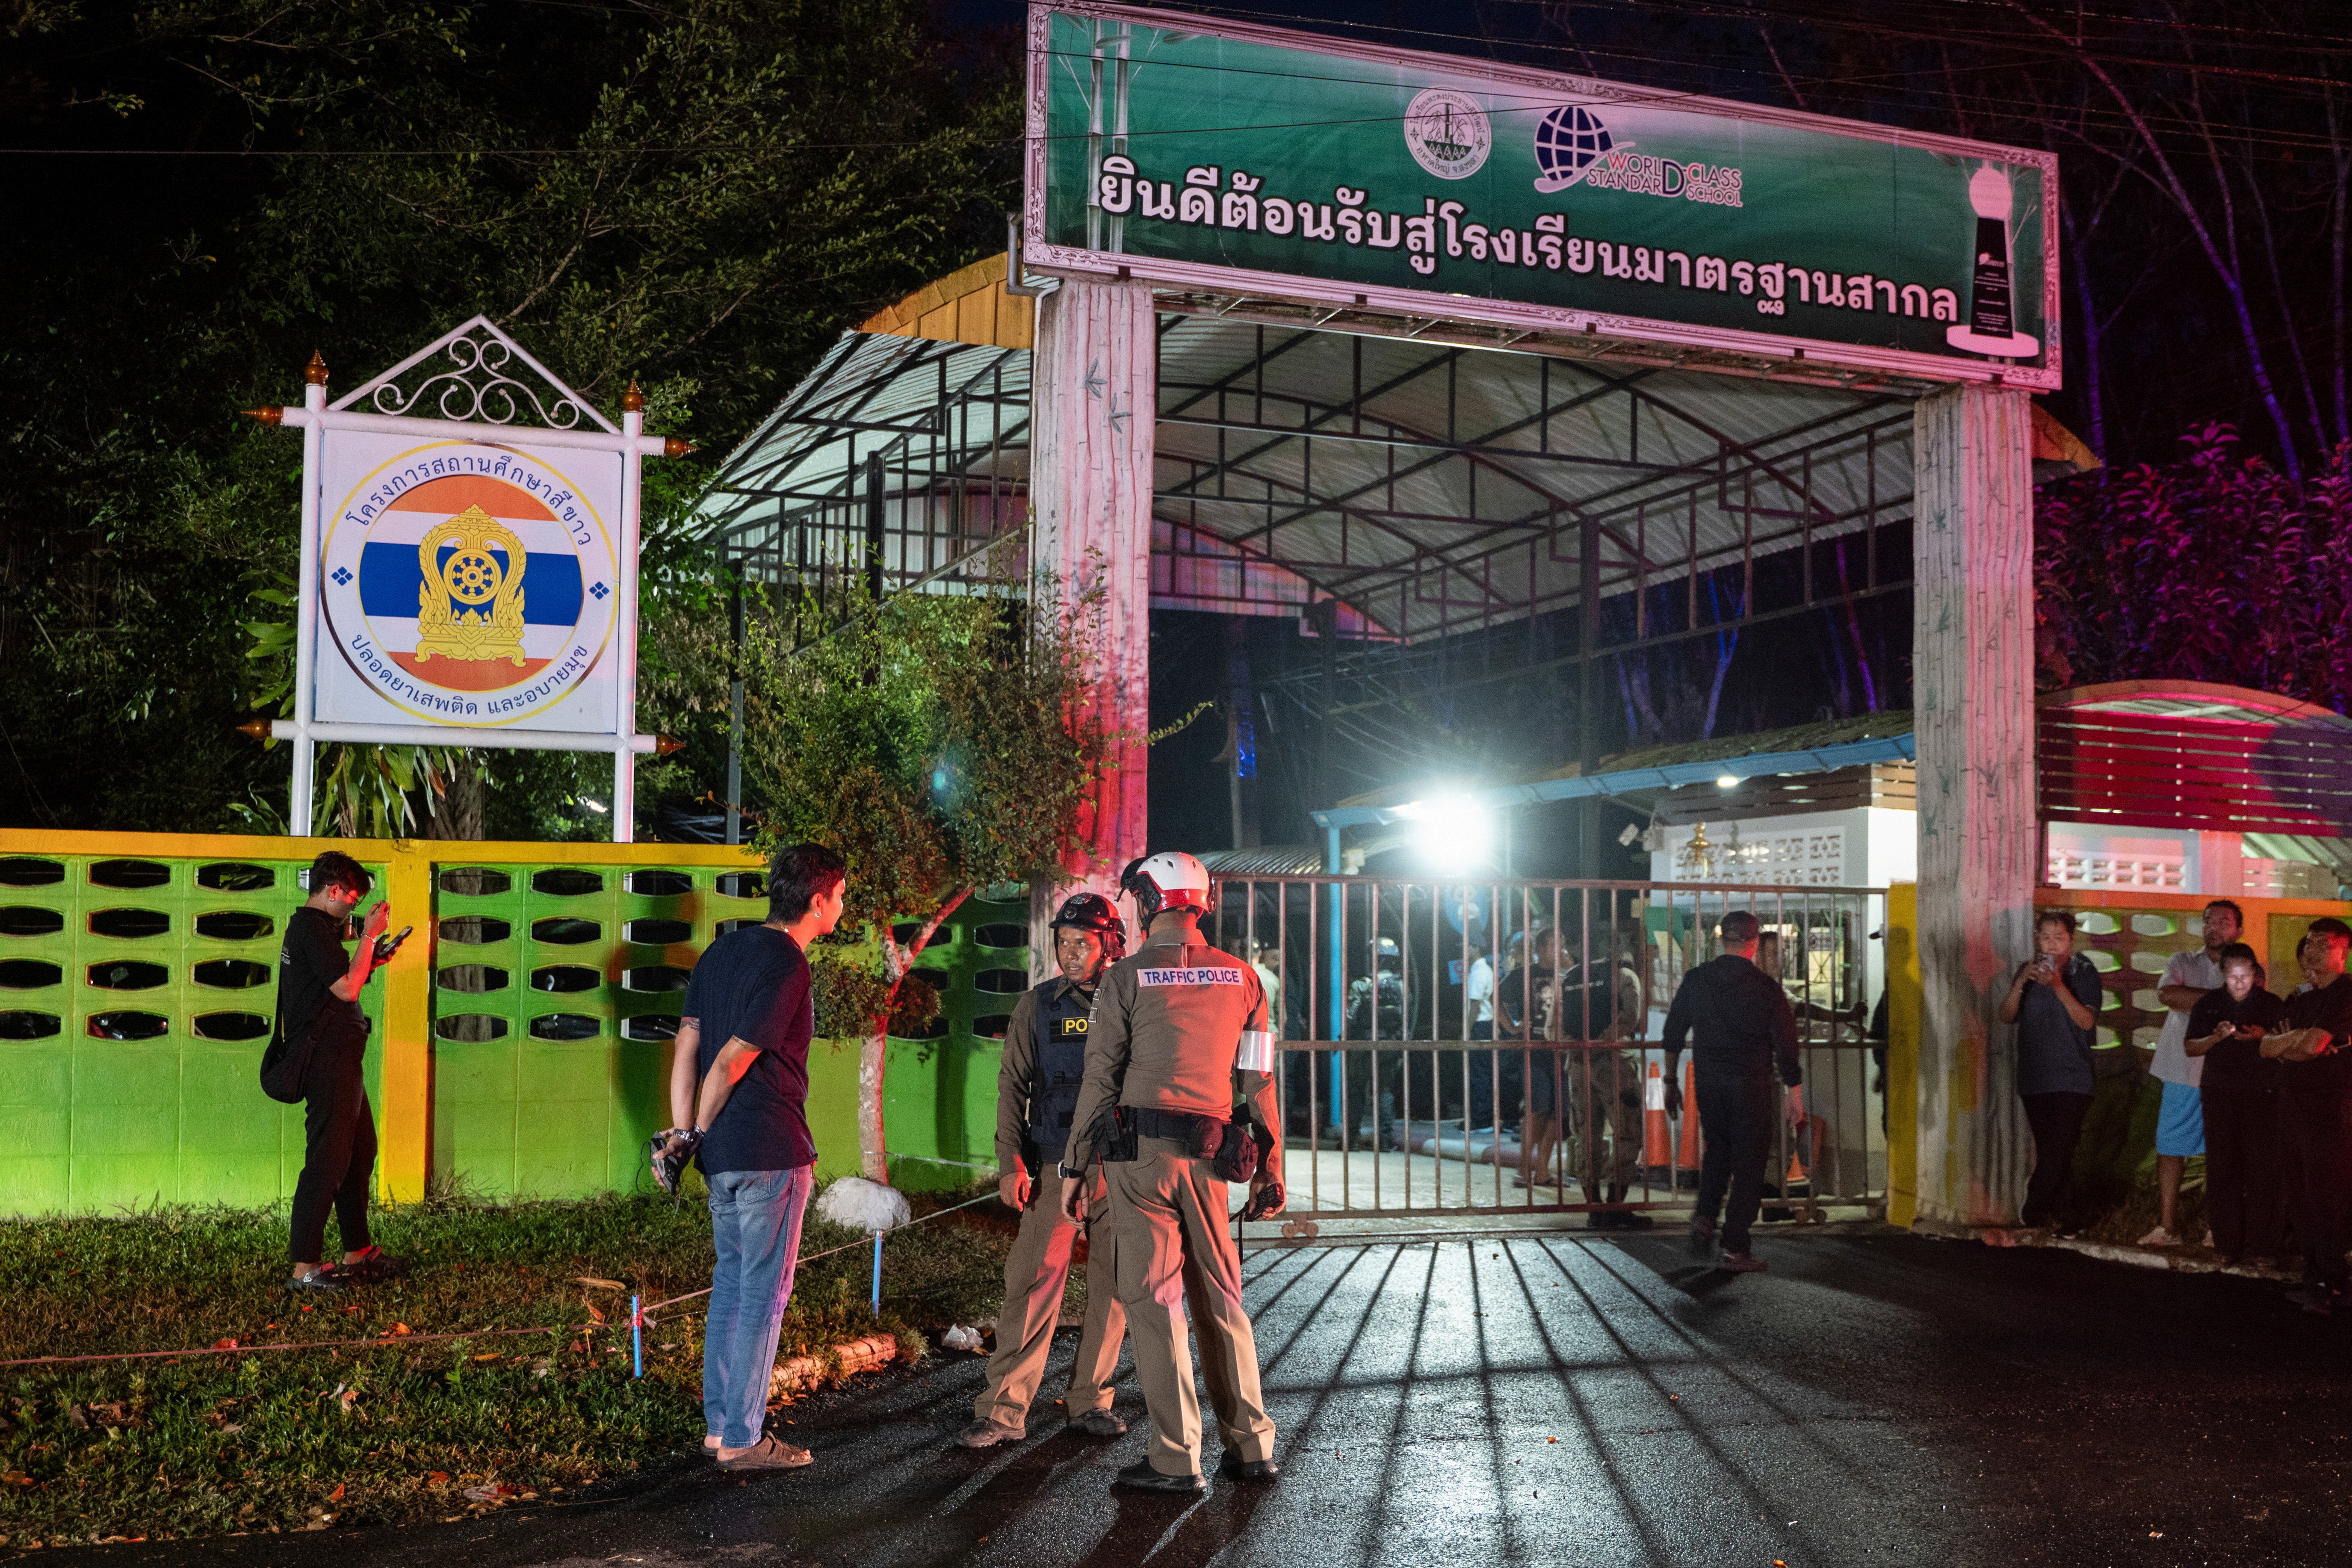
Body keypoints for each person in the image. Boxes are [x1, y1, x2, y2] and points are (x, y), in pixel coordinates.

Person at [1060, 850, 1283, 1493]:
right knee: (1222, 1296)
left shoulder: (1124, 979)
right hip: (1214, 1160)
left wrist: (1076, 1165)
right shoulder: (1244, 979)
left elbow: (1099, 1078)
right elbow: (1258, 1080)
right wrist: (1270, 1165)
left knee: (1155, 1302)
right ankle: (1252, 1445)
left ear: (1152, 901)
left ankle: (1175, 1456)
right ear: (1199, 903)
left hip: (1139, 1159)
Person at [656, 842, 846, 1471]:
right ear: (818, 900)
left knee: (732, 1291)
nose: (841, 906)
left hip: (723, 1160)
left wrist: (684, 1132)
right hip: (770, 1149)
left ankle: (722, 1428)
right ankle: (742, 1438)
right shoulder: (789, 963)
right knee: (762, 1297)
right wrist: (697, 1129)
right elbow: (733, 1057)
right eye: (839, 895)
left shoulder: (721, 951)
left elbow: (686, 1045)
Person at [957, 893, 1132, 1449]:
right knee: (1031, 1282)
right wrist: (1009, 1156)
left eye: (1083, 941)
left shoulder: (1132, 998)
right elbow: (1012, 1085)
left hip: (1120, 1164)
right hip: (1053, 1162)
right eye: (1063, 941)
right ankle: (1003, 1411)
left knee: (1113, 1285)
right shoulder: (1037, 1006)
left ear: (1110, 943)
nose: (1071, 952)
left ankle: (1092, 1401)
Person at [279, 850, 407, 1290]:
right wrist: (370, 938)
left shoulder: (319, 931)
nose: (353, 909)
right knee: (328, 1160)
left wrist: (372, 957)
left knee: (358, 1154)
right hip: (326, 1062)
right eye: (351, 900)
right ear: (333, 891)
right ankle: (305, 1267)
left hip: (342, 1059)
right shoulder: (312, 929)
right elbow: (348, 988)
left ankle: (358, 1250)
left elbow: (337, 984)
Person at [1661, 911, 1804, 1273]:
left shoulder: (1697, 980)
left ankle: (1705, 1217)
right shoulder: (1766, 988)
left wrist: (1670, 1082)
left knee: (1718, 1153)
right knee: (1751, 1163)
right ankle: (1736, 1246)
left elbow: (1673, 1032)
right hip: (1751, 1084)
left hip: (1708, 1082)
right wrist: (1795, 1092)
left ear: (1721, 939)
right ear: (1754, 944)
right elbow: (1787, 1045)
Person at [2142, 900, 2244, 1246]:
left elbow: (2247, 1003)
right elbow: (2168, 994)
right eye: (2208, 921)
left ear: (2238, 929)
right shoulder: (2182, 960)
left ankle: (2220, 1228)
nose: (2214, 927)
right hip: (2182, 1069)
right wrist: (2224, 999)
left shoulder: (2247, 967)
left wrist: (2199, 1000)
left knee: (2225, 1151)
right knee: (2170, 1147)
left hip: (2227, 1075)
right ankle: (2168, 1226)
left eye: (2224, 922)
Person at [2263, 918, 2352, 1314]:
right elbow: (2265, 1046)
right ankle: (2314, 1278)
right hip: (2291, 1104)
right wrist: (2289, 1044)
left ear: (2342, 952)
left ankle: (2336, 1283)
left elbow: (2314, 1045)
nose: (2313, 950)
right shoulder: (2300, 998)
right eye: (2310, 942)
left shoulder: (2346, 994)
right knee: (2299, 1193)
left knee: (2326, 1195)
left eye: (2324, 944)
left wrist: (2294, 1043)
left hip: (2329, 1106)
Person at [1997, 909, 2103, 1234]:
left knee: (2060, 1146)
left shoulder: (2083, 971)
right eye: (2045, 937)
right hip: (2035, 1075)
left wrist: (2058, 985)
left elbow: (2086, 1021)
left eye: (2059, 937)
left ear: (2071, 939)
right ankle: (2069, 1220)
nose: (2052, 944)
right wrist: (2019, 984)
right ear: (2036, 939)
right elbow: (2006, 1016)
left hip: (2072, 1076)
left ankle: (2034, 1207)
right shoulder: (2025, 972)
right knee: (2054, 1151)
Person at [2183, 942, 2287, 1267]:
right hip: (2220, 1094)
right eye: (2234, 976)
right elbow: (2191, 1047)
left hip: (2262, 1095)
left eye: (2246, 975)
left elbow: (2288, 1046)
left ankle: (2264, 1247)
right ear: (2223, 974)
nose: (2240, 982)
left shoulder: (2271, 1004)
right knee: (2222, 1168)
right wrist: (2216, 1037)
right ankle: (2226, 1244)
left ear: (2255, 973)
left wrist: (2261, 1036)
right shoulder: (2210, 1004)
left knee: (2262, 1170)